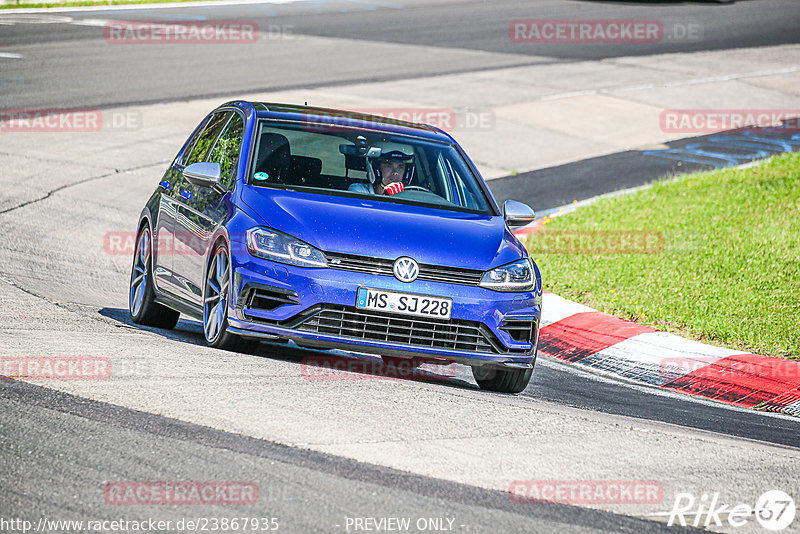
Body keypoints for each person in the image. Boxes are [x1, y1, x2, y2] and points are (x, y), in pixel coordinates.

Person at [348, 142, 415, 196]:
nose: (395, 172)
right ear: (375, 169)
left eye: (400, 167)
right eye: (388, 166)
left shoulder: (410, 197)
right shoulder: (358, 191)